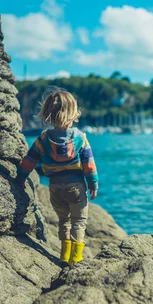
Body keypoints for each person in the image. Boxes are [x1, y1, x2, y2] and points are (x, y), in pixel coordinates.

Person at [16, 90, 99, 264]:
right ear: (73, 113)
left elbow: (29, 160)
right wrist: (93, 183)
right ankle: (75, 258)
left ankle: (64, 254)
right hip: (76, 187)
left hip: (55, 187)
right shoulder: (80, 138)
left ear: (48, 113)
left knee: (64, 220)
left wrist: (21, 177)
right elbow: (89, 164)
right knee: (79, 221)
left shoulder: (44, 138)